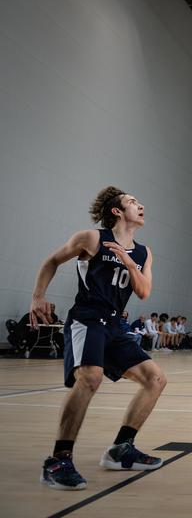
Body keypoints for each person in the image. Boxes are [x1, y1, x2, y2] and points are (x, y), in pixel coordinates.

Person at [30, 186, 167, 490]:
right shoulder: (93, 239)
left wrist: (129, 262)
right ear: (117, 212)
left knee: (155, 379)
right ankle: (58, 461)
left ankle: (121, 449)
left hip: (116, 325)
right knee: (90, 378)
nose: (140, 205)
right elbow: (52, 260)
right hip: (88, 318)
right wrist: (38, 296)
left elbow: (143, 291)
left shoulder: (144, 252)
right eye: (133, 202)